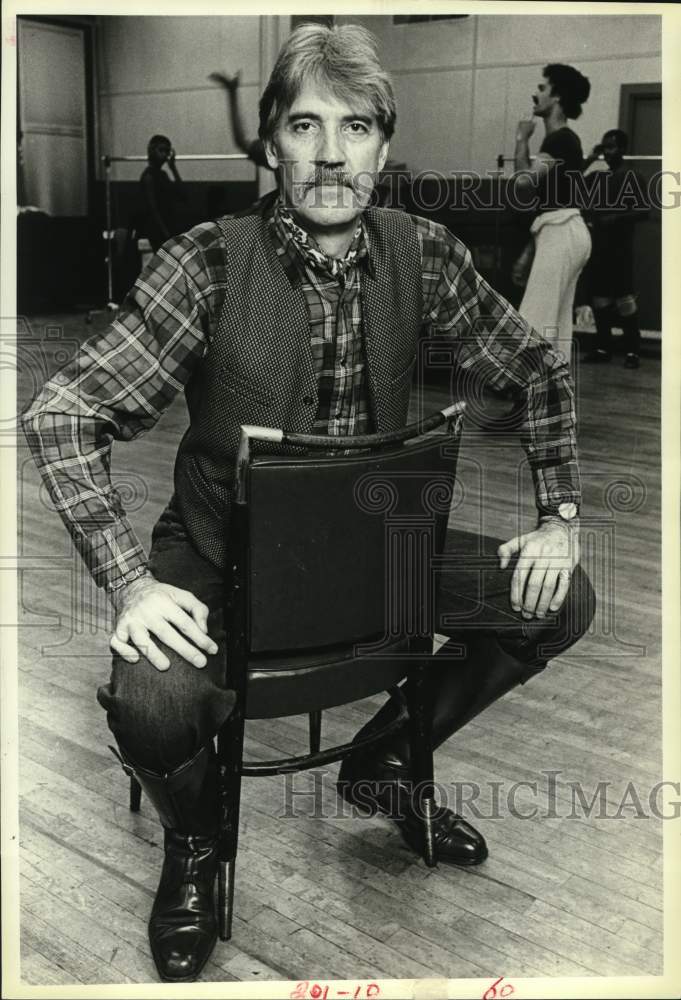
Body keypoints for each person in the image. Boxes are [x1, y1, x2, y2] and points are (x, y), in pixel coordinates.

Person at [23, 24, 595, 984]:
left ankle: (385, 760)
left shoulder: (426, 252)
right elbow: (62, 414)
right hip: (222, 552)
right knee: (153, 700)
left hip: (374, 553)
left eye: (355, 127)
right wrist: (129, 583)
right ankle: (193, 845)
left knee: (561, 598)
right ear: (270, 143)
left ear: (383, 145)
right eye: (305, 126)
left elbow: (536, 370)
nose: (331, 154)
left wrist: (560, 517)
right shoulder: (206, 261)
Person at [512, 64, 593, 365]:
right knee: (556, 324)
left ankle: (525, 384)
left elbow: (524, 182)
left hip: (562, 231)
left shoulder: (559, 140)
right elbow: (545, 200)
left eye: (543, 88)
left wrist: (521, 139)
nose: (536, 94)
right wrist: (530, 248)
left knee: (534, 316)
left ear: (557, 97)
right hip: (566, 231)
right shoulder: (564, 141)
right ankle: (554, 385)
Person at [581, 129, 649, 369]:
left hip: (620, 247)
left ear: (622, 149)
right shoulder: (597, 177)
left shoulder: (632, 176)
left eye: (611, 147)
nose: (608, 152)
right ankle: (603, 348)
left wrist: (615, 218)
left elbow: (644, 211)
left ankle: (632, 350)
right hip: (599, 246)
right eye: (605, 148)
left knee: (624, 299)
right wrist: (591, 157)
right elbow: (571, 181)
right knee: (600, 298)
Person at [138, 134, 188, 251]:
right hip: (158, 231)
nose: (165, 155)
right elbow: (153, 209)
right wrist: (165, 233)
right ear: (151, 150)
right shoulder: (149, 177)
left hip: (168, 227)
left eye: (167, 151)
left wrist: (173, 168)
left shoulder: (163, 175)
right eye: (161, 150)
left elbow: (183, 195)